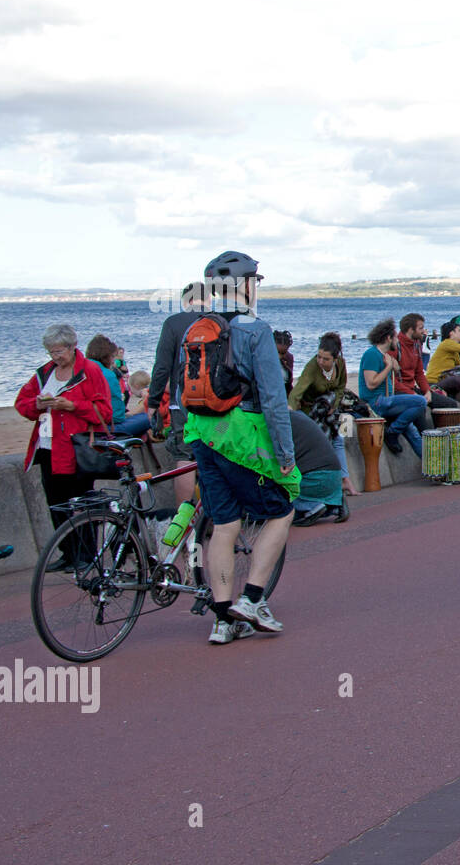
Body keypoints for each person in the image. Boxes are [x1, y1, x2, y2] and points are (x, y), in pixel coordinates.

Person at [186, 250, 297, 644]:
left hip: (202, 434)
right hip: (242, 436)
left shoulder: (196, 327)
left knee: (225, 525)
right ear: (247, 284)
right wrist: (284, 455)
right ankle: (251, 599)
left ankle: (221, 619)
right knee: (282, 510)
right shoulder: (255, 330)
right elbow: (272, 399)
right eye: (256, 281)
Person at [16, 323, 112, 572]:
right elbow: (22, 403)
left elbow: (104, 411)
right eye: (51, 352)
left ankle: (86, 554)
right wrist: (37, 404)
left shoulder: (89, 370)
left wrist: (72, 406)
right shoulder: (44, 373)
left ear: (72, 347)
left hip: (77, 447)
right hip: (48, 447)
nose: (55, 357)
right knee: (56, 504)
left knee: (80, 503)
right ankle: (68, 553)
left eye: (59, 351)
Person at [148, 281, 203, 505]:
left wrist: (153, 401)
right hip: (218, 403)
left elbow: (161, 367)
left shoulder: (173, 323)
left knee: (185, 456)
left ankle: (185, 525)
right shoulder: (220, 321)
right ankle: (220, 519)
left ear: (186, 300)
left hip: (183, 402)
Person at [289, 331, 360, 496]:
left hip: (329, 409)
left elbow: (341, 387)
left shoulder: (341, 364)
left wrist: (334, 405)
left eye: (325, 359)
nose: (320, 361)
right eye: (319, 356)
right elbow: (297, 391)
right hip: (310, 411)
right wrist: (290, 409)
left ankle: (345, 479)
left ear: (335, 359)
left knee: (339, 438)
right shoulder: (312, 366)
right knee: (320, 443)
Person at [358, 318, 427, 457]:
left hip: (386, 400)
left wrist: (394, 369)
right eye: (395, 337)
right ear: (389, 338)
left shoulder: (385, 356)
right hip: (375, 402)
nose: (398, 341)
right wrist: (389, 367)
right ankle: (393, 431)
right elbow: (371, 384)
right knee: (420, 402)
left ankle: (433, 469)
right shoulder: (372, 354)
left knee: (412, 432)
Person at [392, 313, 458, 435]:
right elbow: (391, 381)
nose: (424, 331)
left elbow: (419, 373)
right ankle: (430, 441)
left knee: (450, 404)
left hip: (413, 389)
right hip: (400, 391)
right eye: (421, 328)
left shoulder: (416, 344)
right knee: (421, 411)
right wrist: (412, 394)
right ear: (411, 330)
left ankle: (446, 438)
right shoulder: (395, 346)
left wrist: (427, 391)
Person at [288, 410, 348, 525]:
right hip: (334, 476)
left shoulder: (278, 423)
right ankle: (334, 505)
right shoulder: (300, 416)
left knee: (279, 504)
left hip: (314, 478)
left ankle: (311, 507)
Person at [85, 334, 152, 438]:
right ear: (107, 356)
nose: (113, 361)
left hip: (84, 426)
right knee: (148, 418)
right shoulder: (107, 375)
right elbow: (117, 416)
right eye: (112, 357)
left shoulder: (79, 370)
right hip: (105, 428)